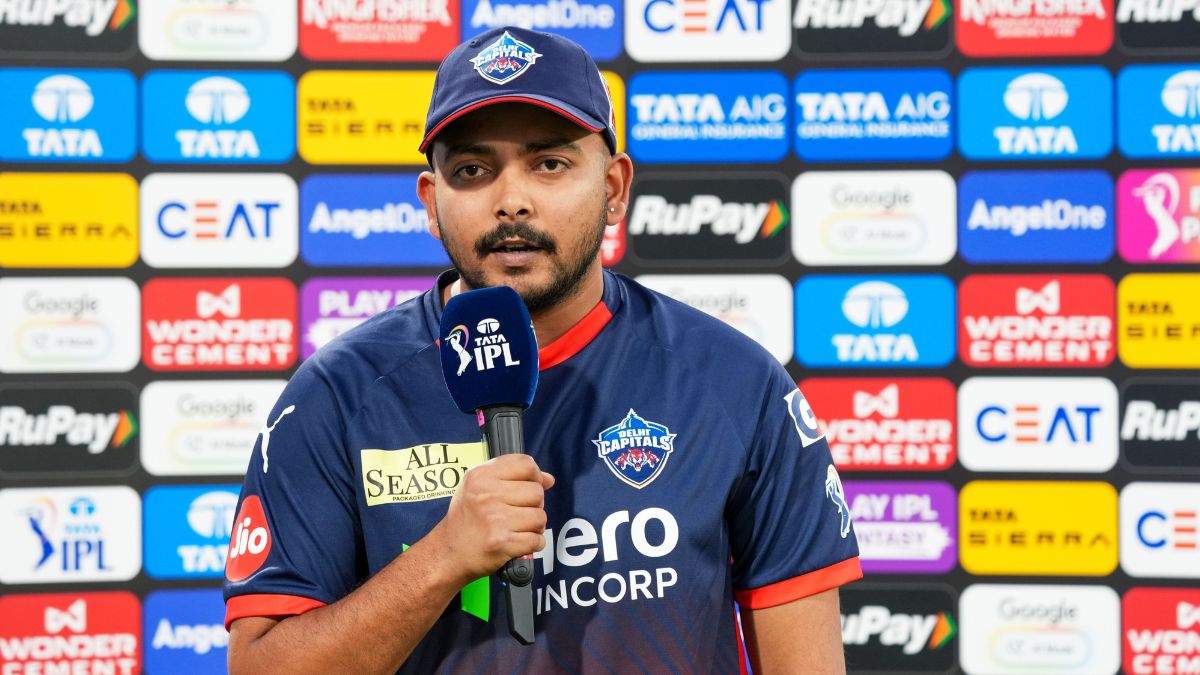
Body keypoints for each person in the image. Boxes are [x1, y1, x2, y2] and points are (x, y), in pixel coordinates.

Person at [224, 26, 862, 674]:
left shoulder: (735, 382)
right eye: (472, 170)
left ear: (614, 188)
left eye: (549, 164)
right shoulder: (338, 395)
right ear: (431, 203)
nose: (512, 202)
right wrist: (444, 557)